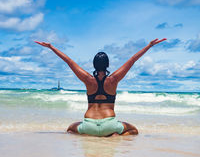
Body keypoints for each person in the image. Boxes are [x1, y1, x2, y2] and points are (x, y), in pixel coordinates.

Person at [35, 38, 166, 136]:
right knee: (133, 130)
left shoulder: (87, 79)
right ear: (108, 64)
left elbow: (68, 61)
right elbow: (132, 60)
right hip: (110, 125)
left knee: (70, 128)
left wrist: (51, 47)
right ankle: (114, 136)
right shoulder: (114, 79)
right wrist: (149, 46)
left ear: (93, 64)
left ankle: (86, 134)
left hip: (89, 124)